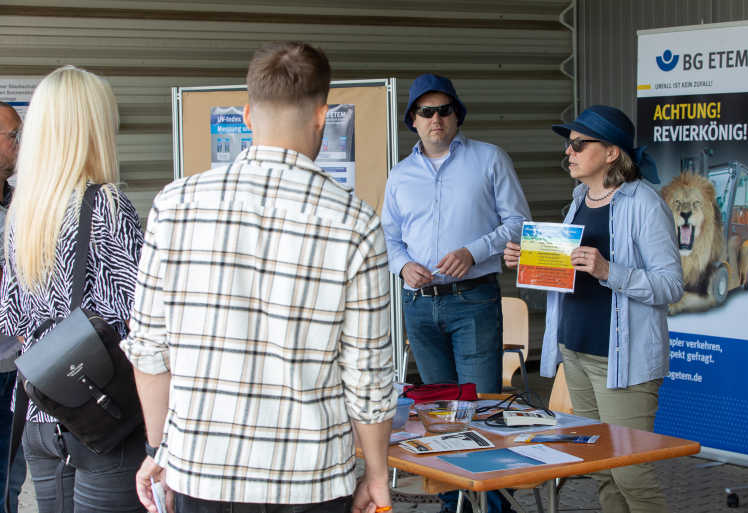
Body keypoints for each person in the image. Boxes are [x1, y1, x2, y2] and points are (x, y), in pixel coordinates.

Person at [121, 41, 396, 513]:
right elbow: (368, 375)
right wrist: (375, 474)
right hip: (309, 480)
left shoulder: (175, 205)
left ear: (247, 115)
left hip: (199, 469)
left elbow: (148, 347)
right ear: (322, 116)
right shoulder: (355, 222)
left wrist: (157, 448)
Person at [504, 105, 683, 513]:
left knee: (631, 472)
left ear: (611, 153)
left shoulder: (645, 205)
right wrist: (528, 260)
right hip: (577, 353)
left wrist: (609, 270)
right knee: (600, 467)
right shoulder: (578, 200)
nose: (568, 153)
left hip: (624, 361)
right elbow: (566, 275)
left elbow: (671, 285)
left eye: (578, 144)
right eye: (568, 146)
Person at [381, 73, 530, 513]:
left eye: (444, 110)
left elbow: (519, 223)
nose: (436, 119)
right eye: (426, 112)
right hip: (419, 306)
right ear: (413, 119)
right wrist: (403, 265)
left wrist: (474, 250)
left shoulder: (489, 159)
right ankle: (453, 503)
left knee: (479, 408)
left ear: (457, 115)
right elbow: (387, 240)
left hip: (474, 299)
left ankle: (492, 506)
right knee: (438, 412)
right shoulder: (400, 175)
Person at [0, 67, 146, 513]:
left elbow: (9, 317)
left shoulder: (23, 208)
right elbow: (142, 318)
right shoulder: (105, 202)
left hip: (40, 411)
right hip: (101, 413)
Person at [0, 101, 26, 513]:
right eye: (12, 136)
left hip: (18, 365)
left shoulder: (20, 203)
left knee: (10, 476)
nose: (20, 144)